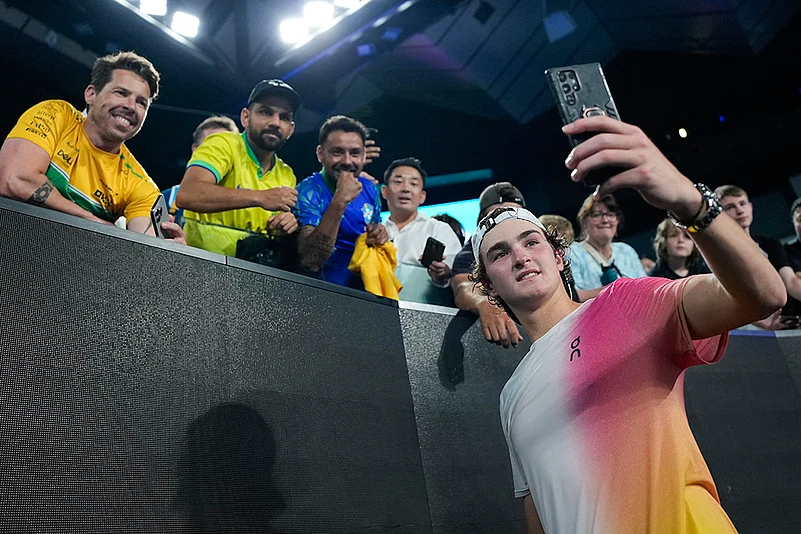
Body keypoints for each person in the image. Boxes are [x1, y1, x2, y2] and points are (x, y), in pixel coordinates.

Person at [470, 115, 785, 534]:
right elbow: (537, 515)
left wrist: (690, 203)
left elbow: (764, 295)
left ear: (559, 256)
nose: (521, 256)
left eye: (532, 242)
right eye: (500, 253)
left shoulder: (624, 302)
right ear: (489, 284)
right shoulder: (511, 397)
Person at [0, 51, 184, 243]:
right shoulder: (55, 114)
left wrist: (171, 252)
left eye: (141, 103)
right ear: (91, 94)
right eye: (121, 93)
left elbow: (149, 247)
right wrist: (92, 221)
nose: (130, 106)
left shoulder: (142, 185)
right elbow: (13, 181)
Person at [175, 80, 300, 264]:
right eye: (265, 112)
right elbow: (188, 194)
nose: (275, 122)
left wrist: (286, 225)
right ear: (245, 117)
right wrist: (260, 197)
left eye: (284, 117)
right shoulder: (223, 143)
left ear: (291, 129)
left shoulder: (287, 174)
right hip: (199, 269)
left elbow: (276, 229)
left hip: (253, 281)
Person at [293, 115, 388, 289]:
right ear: (320, 154)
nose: (347, 161)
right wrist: (340, 200)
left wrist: (379, 234)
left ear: (363, 155)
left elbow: (374, 231)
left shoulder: (370, 189)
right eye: (337, 152)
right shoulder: (308, 192)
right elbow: (311, 259)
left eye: (355, 153)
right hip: (320, 294)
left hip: (364, 294)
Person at [450, 182, 528, 348]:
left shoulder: (542, 244)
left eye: (511, 213)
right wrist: (485, 303)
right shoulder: (471, 254)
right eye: (496, 216)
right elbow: (464, 286)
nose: (504, 222)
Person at [715, 184, 801, 329]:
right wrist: (765, 325)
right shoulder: (717, 252)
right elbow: (726, 298)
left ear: (751, 207)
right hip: (750, 328)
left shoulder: (770, 243)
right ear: (719, 214)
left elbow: (791, 281)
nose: (740, 210)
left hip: (785, 322)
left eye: (742, 204)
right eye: (730, 207)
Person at [381, 157, 462, 302]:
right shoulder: (375, 232)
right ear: (385, 191)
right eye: (398, 182)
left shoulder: (438, 229)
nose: (405, 189)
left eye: (413, 183)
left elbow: (457, 272)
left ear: (422, 196)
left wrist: (442, 271)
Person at [162, 115, 239, 227]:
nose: (220, 154)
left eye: (227, 148)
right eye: (212, 146)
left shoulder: (247, 205)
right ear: (195, 149)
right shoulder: (166, 199)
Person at [568, 193, 647, 290]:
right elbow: (574, 297)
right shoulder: (573, 253)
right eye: (597, 215)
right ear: (584, 221)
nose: (605, 220)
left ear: (617, 221)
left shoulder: (626, 251)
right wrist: (614, 290)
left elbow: (645, 287)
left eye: (610, 214)